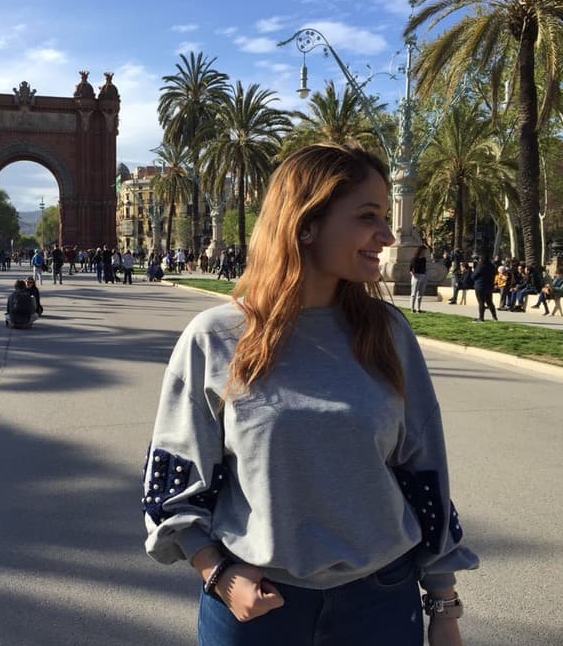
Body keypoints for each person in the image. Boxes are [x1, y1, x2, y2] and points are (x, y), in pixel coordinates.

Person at [142, 144, 477, 646]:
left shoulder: (387, 332)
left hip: (381, 603)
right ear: (305, 224)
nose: (387, 237)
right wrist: (215, 573)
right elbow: (174, 478)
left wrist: (444, 606)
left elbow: (424, 473)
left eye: (386, 217)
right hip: (256, 609)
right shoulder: (215, 337)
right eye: (368, 217)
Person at [471, 252, 497, 322]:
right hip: (489, 286)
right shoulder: (492, 266)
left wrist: (473, 271)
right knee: (490, 302)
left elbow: (473, 276)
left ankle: (481, 318)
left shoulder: (480, 266)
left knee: (481, 302)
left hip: (480, 286)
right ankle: (494, 317)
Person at [409, 245, 428, 313]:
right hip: (416, 276)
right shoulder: (414, 259)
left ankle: (418, 308)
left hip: (423, 276)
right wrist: (413, 275)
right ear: (420, 251)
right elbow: (410, 269)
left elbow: (424, 268)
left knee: (420, 294)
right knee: (413, 293)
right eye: (424, 251)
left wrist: (425, 275)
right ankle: (412, 308)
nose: (424, 252)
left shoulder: (424, 259)